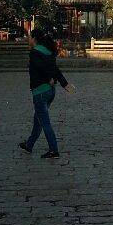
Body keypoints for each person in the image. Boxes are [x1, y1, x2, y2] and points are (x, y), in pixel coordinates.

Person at [19, 27, 73, 159]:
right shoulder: (48, 51)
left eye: (30, 37)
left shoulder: (35, 53)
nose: (28, 40)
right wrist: (64, 83)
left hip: (40, 92)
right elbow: (55, 69)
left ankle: (54, 150)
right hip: (50, 92)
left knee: (44, 122)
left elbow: (40, 67)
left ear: (34, 39)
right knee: (38, 119)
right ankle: (29, 145)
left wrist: (48, 78)